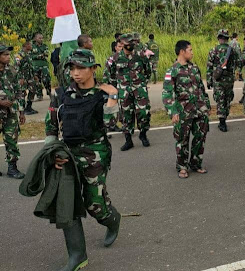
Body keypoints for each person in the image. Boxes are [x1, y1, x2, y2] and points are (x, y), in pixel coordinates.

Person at [43, 49, 121, 270]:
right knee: (67, 203)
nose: (75, 73)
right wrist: (53, 153)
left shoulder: (103, 93)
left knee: (94, 205)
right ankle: (77, 256)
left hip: (95, 152)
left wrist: (113, 97)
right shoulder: (60, 94)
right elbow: (51, 126)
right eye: (72, 68)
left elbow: (112, 125)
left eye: (81, 68)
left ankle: (112, 219)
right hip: (67, 153)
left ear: (93, 69)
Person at [163, 40, 211, 179]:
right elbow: (167, 93)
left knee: (200, 137)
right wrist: (173, 111)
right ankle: (182, 167)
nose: (192, 52)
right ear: (182, 51)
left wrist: (206, 105)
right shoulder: (172, 70)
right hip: (184, 111)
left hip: (199, 109)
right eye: (190, 50)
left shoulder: (194, 68)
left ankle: (196, 163)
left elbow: (201, 88)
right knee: (182, 140)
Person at [104, 33, 152, 151]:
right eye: (126, 45)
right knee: (126, 115)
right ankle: (128, 140)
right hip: (124, 91)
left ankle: (143, 134)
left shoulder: (140, 56)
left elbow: (148, 71)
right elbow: (111, 75)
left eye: (131, 44)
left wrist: (141, 83)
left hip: (139, 89)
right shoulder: (115, 58)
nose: (129, 46)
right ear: (121, 45)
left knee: (144, 112)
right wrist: (118, 87)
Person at [0, 44, 26, 179]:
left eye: (8, 54)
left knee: (12, 139)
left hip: (10, 112)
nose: (8, 57)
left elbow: (19, 91)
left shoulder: (12, 70)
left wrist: (21, 111)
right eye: (5, 54)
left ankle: (12, 168)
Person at [206, 29, 238, 133]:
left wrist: (209, 80)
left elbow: (209, 67)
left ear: (219, 38)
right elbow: (236, 63)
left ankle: (222, 121)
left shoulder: (213, 50)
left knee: (220, 99)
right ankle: (224, 118)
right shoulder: (231, 50)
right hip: (229, 79)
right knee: (227, 99)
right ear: (227, 38)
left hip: (218, 79)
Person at [16, 40, 39, 115]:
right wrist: (20, 78)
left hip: (30, 77)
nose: (31, 46)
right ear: (26, 46)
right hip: (22, 78)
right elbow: (16, 67)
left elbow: (31, 66)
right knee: (22, 93)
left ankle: (28, 107)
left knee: (33, 90)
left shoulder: (29, 54)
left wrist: (35, 75)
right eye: (30, 45)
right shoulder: (19, 55)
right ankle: (22, 110)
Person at [31, 32, 51, 99]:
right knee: (37, 81)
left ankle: (49, 92)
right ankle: (39, 95)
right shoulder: (31, 46)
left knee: (46, 80)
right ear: (35, 39)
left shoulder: (45, 46)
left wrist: (37, 56)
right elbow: (30, 56)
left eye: (42, 38)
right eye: (39, 38)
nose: (41, 39)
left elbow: (46, 53)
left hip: (44, 66)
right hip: (35, 66)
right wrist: (40, 56)